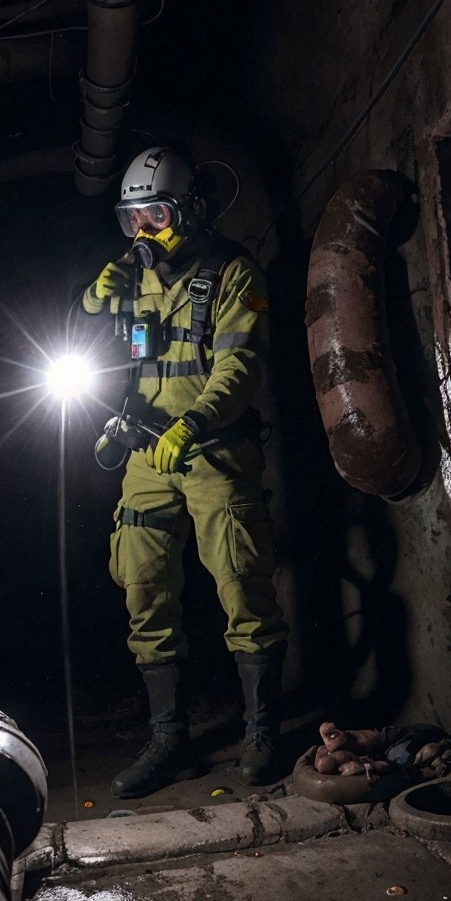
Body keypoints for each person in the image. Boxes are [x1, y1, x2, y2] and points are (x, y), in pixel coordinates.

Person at [82, 145, 287, 798]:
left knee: (240, 582)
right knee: (141, 583)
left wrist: (191, 426)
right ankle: (168, 736)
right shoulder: (134, 276)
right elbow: (86, 341)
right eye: (131, 219)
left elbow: (239, 368)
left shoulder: (234, 272)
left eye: (157, 214)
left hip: (213, 451)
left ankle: (261, 731)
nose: (144, 231)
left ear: (192, 211)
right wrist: (94, 297)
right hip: (146, 453)